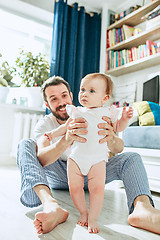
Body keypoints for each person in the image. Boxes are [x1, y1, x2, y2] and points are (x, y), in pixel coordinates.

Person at [17, 75, 160, 236]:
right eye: (54, 99)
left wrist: (112, 137)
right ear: (47, 104)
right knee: (25, 144)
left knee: (132, 157)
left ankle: (143, 209)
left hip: (96, 169)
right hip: (61, 173)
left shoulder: (97, 113)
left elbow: (119, 148)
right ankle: (51, 206)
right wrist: (65, 140)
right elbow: (42, 159)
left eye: (64, 95)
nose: (62, 102)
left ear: (71, 96)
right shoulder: (46, 124)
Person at [44, 73, 133, 233]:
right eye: (82, 89)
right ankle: (83, 212)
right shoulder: (76, 111)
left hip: (97, 160)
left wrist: (125, 118)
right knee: (75, 188)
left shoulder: (108, 112)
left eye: (91, 91)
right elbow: (65, 127)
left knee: (97, 190)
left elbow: (118, 127)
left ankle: (93, 217)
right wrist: (53, 134)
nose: (84, 93)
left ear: (104, 98)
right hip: (76, 159)